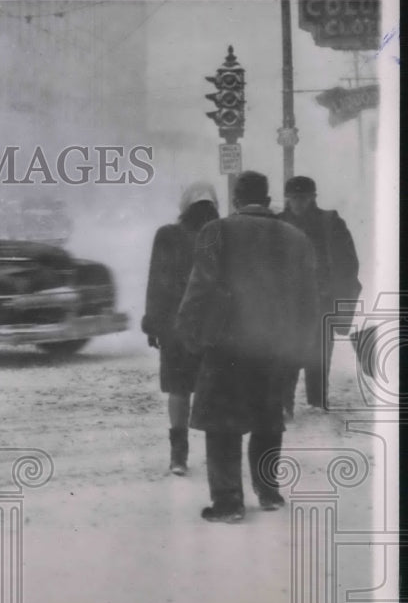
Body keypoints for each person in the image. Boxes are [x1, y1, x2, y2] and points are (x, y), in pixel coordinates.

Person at [176, 171, 318, 523]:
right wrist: (299, 345)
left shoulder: (216, 231)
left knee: (223, 424)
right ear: (268, 200)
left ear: (236, 200)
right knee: (268, 418)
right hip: (274, 344)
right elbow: (308, 299)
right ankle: (268, 492)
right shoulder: (295, 237)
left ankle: (228, 502)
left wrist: (190, 334)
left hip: (227, 345)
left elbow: (199, 289)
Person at [142, 182, 221, 475]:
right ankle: (217, 456)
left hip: (175, 325)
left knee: (178, 390)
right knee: (215, 391)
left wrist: (153, 322)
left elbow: (156, 281)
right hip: (213, 326)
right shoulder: (221, 233)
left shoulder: (168, 235)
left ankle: (179, 455)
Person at [279, 176, 361, 416]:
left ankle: (317, 402)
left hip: (320, 299)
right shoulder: (279, 223)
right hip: (288, 301)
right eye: (294, 198)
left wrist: (336, 291)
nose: (299, 203)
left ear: (313, 197)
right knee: (287, 354)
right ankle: (286, 403)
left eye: (303, 198)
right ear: (287, 199)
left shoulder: (330, 222)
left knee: (319, 352)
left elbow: (348, 262)